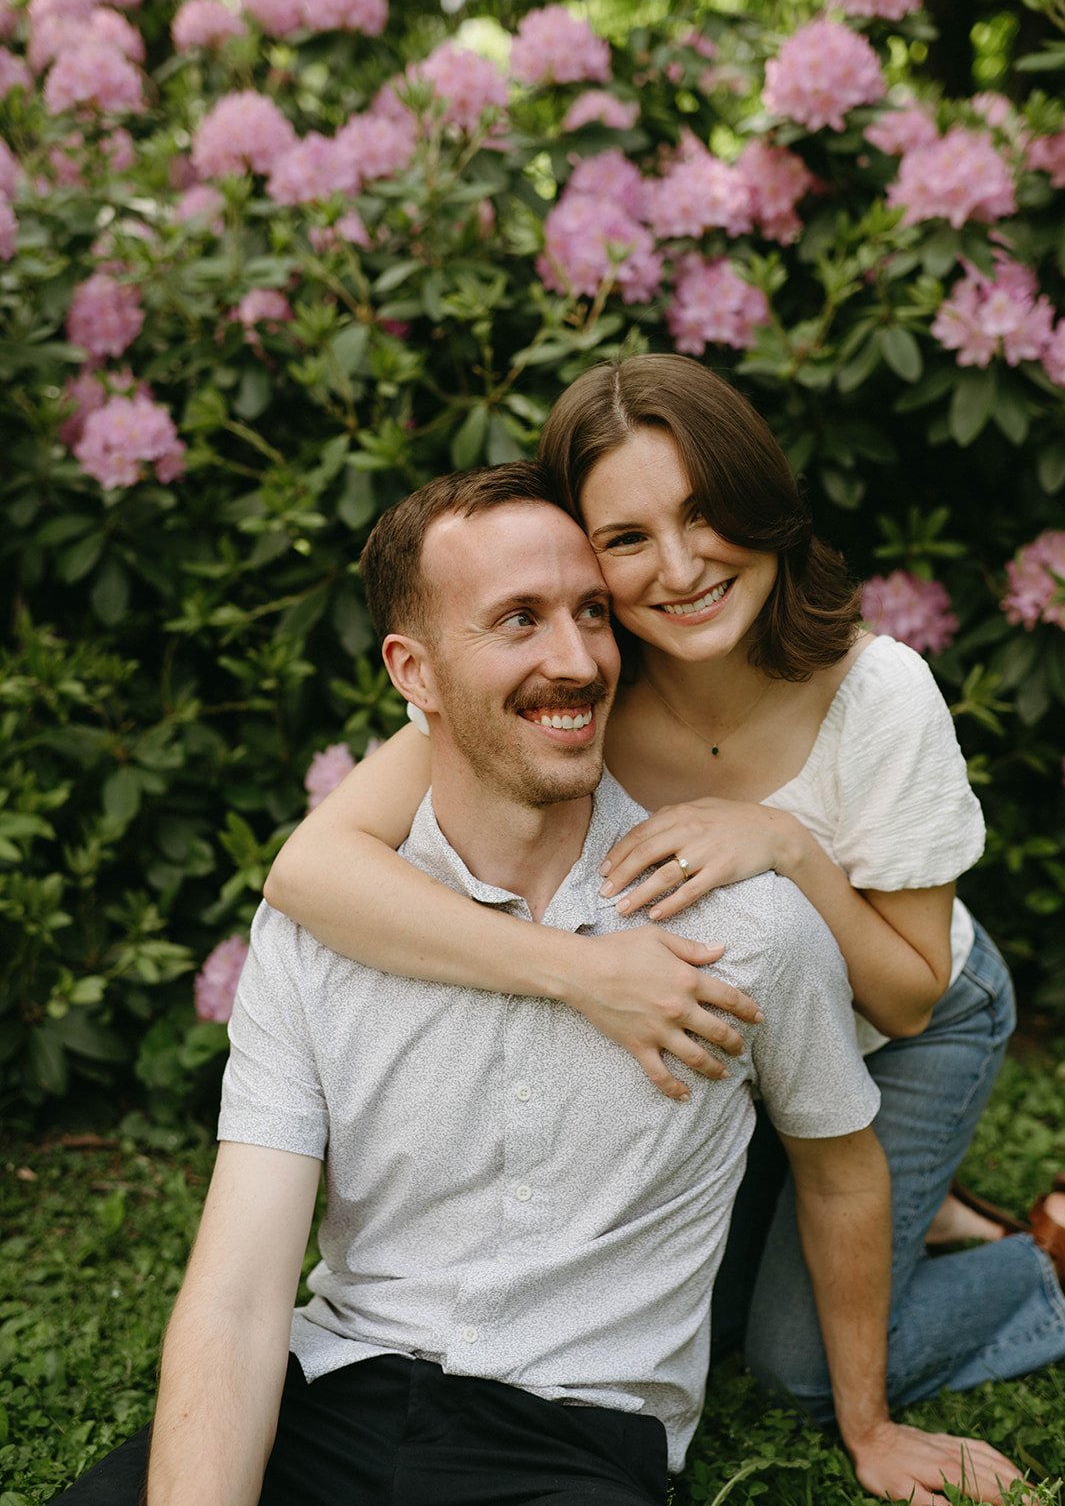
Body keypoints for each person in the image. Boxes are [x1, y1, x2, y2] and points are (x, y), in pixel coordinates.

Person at [0, 466, 1026, 1506]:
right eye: (520, 620)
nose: (577, 658)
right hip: (321, 1403)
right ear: (413, 672)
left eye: (590, 612)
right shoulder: (327, 927)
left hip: (566, 1450)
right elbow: (239, 1295)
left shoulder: (748, 925)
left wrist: (867, 1424)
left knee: (783, 1355)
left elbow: (854, 1130)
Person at [263, 355, 1065, 1418]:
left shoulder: (878, 694)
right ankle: (916, 1207)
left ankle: (1045, 1259)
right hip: (745, 1033)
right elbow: (310, 868)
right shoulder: (572, 679)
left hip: (907, 1020)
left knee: (793, 1368)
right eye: (626, 539)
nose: (681, 569)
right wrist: (575, 971)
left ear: (761, 500)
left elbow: (910, 996)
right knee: (691, 1323)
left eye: (702, 513)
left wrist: (787, 843)